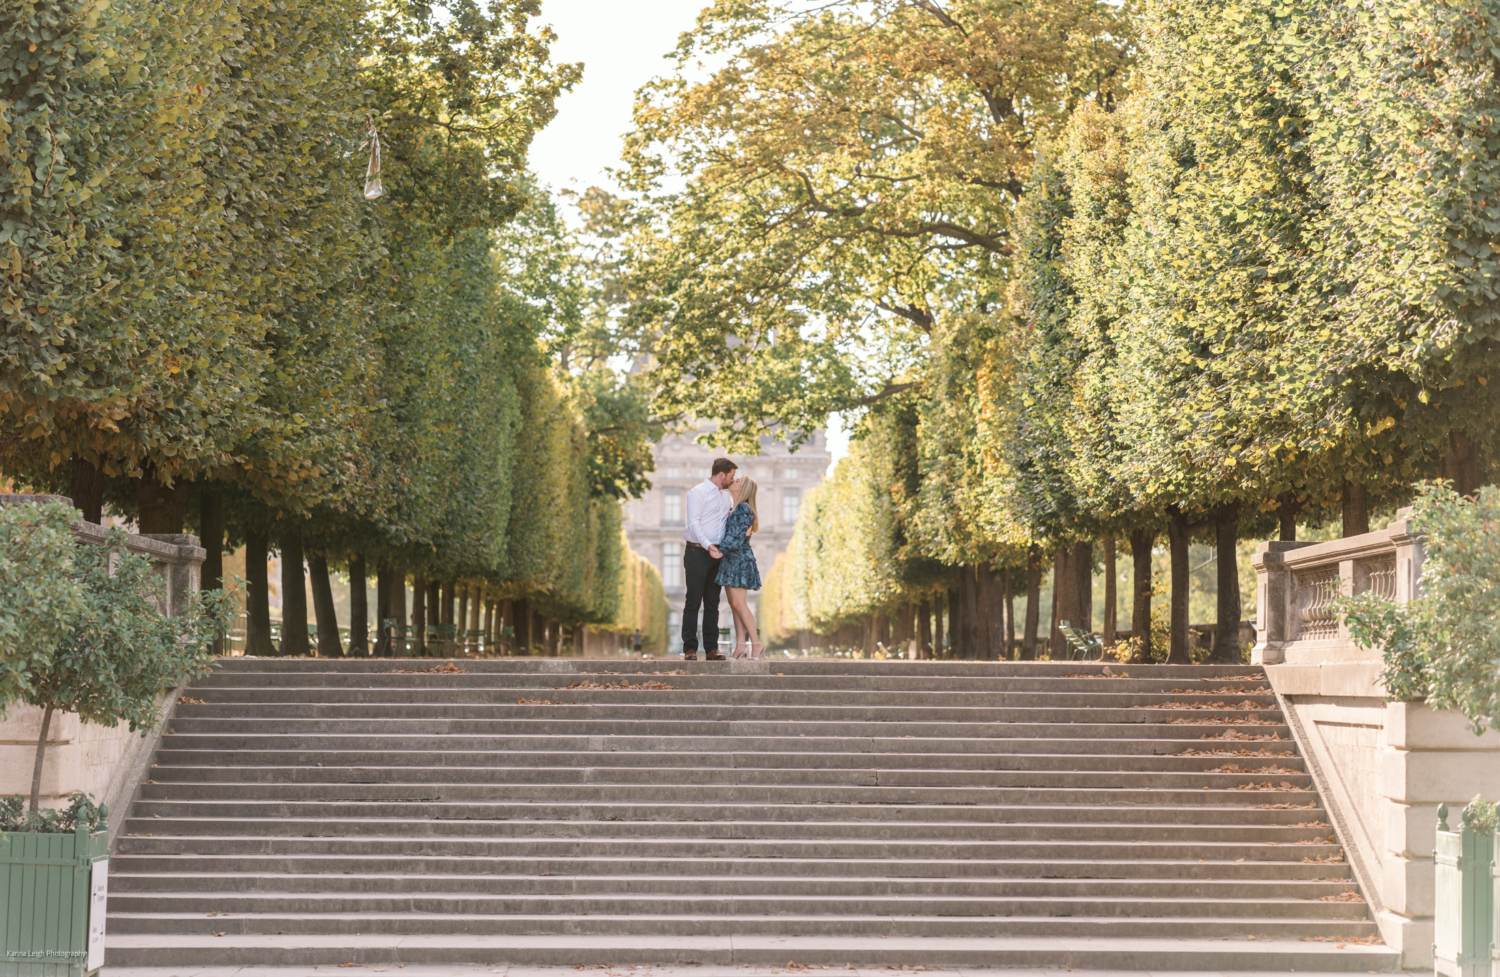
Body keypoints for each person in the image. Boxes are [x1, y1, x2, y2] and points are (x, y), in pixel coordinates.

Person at [682, 457, 738, 660]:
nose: (733, 480)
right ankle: (690, 648)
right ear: (721, 474)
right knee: (693, 602)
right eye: (731, 476)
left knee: (713, 602)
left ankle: (711, 650)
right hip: (698, 552)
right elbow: (693, 524)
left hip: (718, 553)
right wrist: (709, 545)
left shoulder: (726, 496)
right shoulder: (697, 492)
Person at [716, 477, 764, 659]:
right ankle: (740, 645)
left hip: (738, 560)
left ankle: (756, 644)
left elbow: (734, 538)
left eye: (738, 480)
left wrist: (718, 551)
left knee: (738, 604)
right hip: (731, 560)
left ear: (743, 488)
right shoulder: (734, 507)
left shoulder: (743, 508)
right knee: (734, 605)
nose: (734, 480)